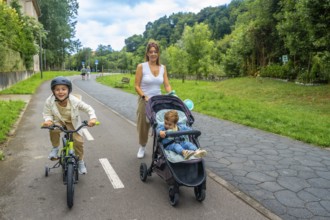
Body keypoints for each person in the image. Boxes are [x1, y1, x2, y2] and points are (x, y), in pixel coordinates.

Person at [42, 76, 97, 174]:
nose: (60, 92)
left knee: (78, 141)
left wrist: (92, 118)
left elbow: (88, 108)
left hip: (72, 122)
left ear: (69, 90)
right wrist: (48, 121)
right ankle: (55, 148)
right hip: (58, 120)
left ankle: (80, 161)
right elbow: (47, 114)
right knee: (53, 129)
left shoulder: (74, 101)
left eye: (63, 89)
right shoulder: (49, 101)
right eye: (57, 89)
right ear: (53, 91)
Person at [135, 41, 172, 158]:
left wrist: (171, 93)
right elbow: (136, 85)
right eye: (150, 52)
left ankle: (160, 147)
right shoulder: (141, 66)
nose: (153, 54)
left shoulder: (163, 68)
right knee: (143, 125)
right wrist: (144, 96)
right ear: (147, 53)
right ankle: (142, 146)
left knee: (161, 123)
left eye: (155, 52)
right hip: (144, 99)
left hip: (158, 100)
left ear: (158, 53)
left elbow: (166, 85)